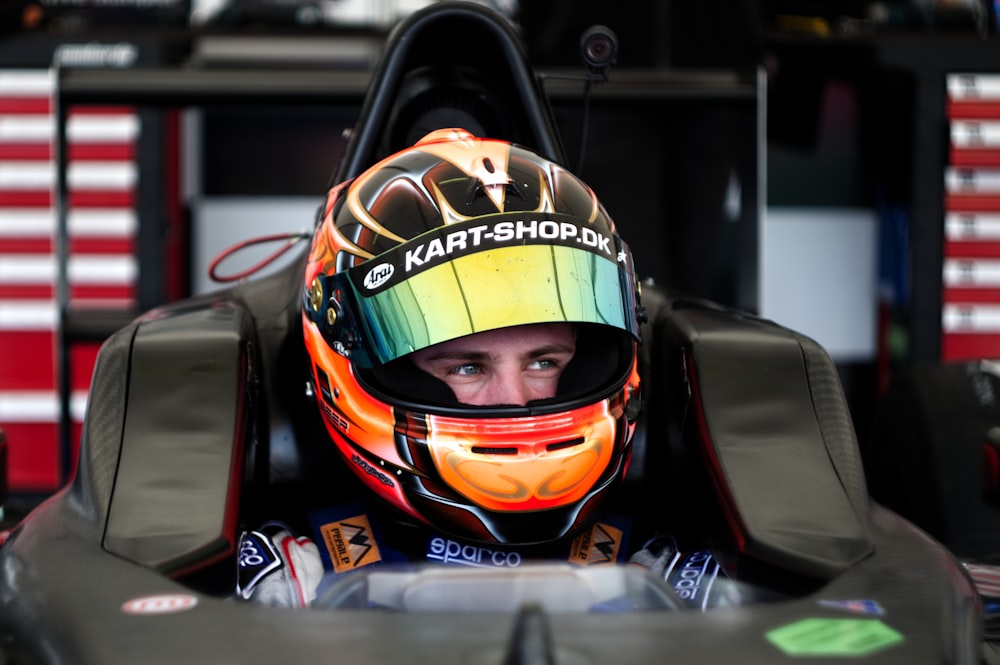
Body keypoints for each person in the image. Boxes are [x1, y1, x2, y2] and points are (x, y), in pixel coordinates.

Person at [235, 128, 735, 609]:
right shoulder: (290, 582)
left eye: (543, 362)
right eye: (466, 368)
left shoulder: (675, 579)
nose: (515, 400)